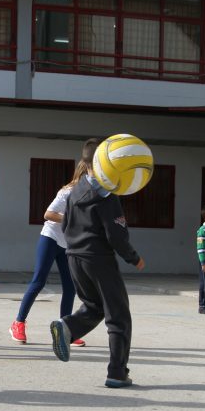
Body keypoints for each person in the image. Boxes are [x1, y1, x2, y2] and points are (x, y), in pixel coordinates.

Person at [48, 145, 145, 388]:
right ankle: (117, 372)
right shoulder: (107, 193)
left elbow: (66, 223)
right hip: (99, 259)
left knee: (94, 305)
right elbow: (116, 234)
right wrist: (133, 257)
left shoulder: (75, 190)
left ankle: (68, 325)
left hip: (74, 257)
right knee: (119, 316)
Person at [10, 140, 96, 346]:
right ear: (85, 174)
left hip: (68, 245)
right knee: (38, 281)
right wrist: (70, 219)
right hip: (50, 238)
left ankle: (66, 329)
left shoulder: (92, 195)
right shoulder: (67, 192)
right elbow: (47, 214)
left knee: (70, 287)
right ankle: (18, 323)